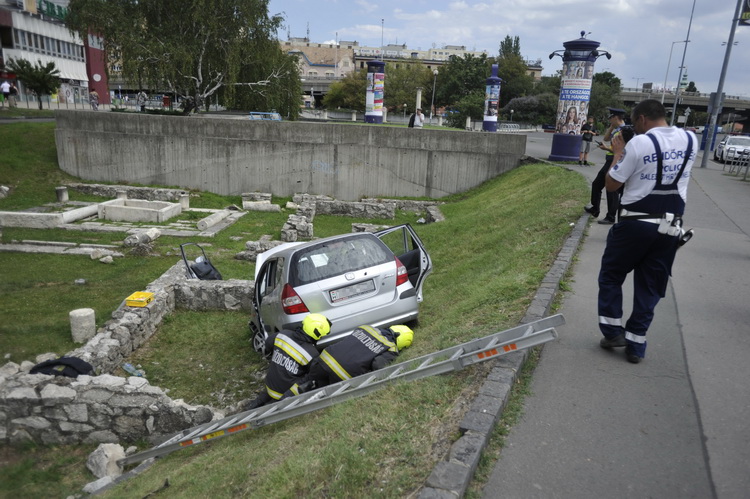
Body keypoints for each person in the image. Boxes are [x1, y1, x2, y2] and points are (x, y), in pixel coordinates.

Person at [597, 99, 697, 364]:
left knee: (611, 275)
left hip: (635, 223)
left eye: (634, 122)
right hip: (670, 226)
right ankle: (636, 345)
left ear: (641, 119)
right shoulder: (691, 140)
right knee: (650, 287)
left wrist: (618, 154)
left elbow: (611, 185)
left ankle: (612, 332)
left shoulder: (639, 144)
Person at [244, 313, 332, 409]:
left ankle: (251, 407)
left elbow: (268, 345)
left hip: (270, 384)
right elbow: (315, 374)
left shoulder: (282, 334)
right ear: (317, 334)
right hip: (286, 393)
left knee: (265, 394)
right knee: (312, 379)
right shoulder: (311, 354)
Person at [301, 325, 414, 391]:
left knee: (310, 382)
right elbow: (377, 365)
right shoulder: (391, 348)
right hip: (341, 374)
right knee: (326, 390)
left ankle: (309, 385)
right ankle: (315, 387)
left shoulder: (366, 328)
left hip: (323, 360)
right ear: (403, 343)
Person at [584, 108, 626, 224]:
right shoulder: (616, 129)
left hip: (615, 161)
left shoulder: (624, 131)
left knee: (611, 189)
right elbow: (606, 138)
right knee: (597, 184)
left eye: (610, 117)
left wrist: (606, 148)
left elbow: (620, 150)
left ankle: (611, 216)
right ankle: (595, 208)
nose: (609, 119)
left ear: (616, 117)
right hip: (609, 160)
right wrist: (612, 127)